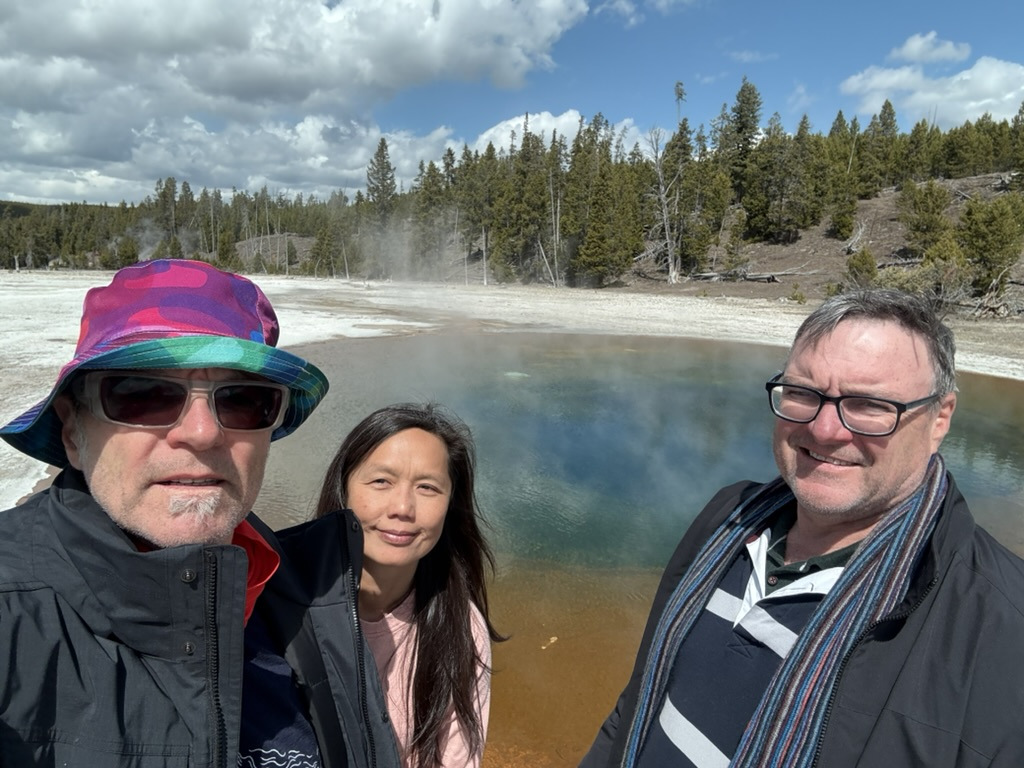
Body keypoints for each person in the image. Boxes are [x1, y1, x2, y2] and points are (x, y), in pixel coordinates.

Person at [581, 288, 1024, 768]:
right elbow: (639, 702)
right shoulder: (730, 518)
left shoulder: (999, 628)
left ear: (939, 418)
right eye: (802, 393)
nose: (825, 430)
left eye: (868, 404)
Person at [0, 259, 401, 768]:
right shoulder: (12, 612)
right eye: (142, 395)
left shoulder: (309, 596)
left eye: (243, 400)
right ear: (72, 433)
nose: (203, 433)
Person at [314, 403, 502, 768]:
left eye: (427, 487)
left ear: (451, 506)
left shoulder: (460, 629)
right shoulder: (280, 601)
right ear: (343, 489)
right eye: (381, 481)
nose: (402, 507)